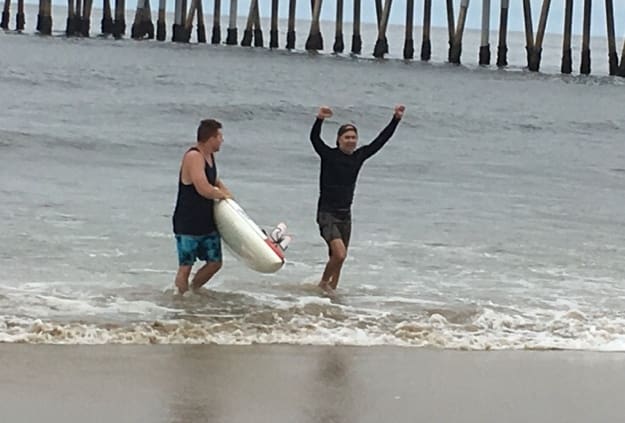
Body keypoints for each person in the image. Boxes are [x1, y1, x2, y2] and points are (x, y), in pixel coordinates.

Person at [310, 104, 405, 295]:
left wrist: (396, 120)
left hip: (345, 215)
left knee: (339, 260)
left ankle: (332, 296)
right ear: (339, 140)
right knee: (339, 254)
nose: (351, 141)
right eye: (347, 137)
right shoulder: (328, 155)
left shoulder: (358, 157)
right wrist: (319, 119)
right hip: (326, 213)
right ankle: (322, 285)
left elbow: (380, 141)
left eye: (354, 138)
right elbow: (314, 139)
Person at [172, 118, 232, 294]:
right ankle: (180, 298)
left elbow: (214, 181)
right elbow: (203, 188)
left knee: (215, 263)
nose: (222, 140)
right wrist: (223, 196)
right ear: (211, 138)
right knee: (186, 266)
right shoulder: (194, 156)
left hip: (206, 220)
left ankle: (193, 290)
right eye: (220, 136)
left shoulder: (209, 156)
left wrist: (229, 198)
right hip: (188, 222)